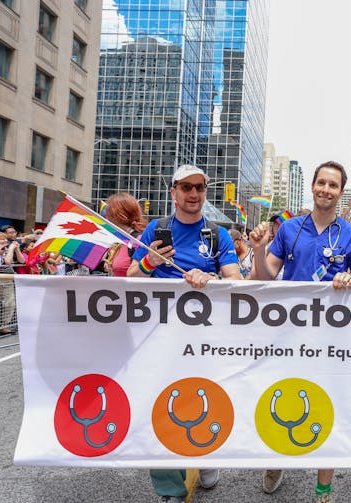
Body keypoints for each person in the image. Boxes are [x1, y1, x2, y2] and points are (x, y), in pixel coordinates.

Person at [250, 160, 351, 503]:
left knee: (327, 406)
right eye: (321, 183)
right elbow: (263, 278)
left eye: (333, 185)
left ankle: (323, 487)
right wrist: (259, 252)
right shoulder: (290, 229)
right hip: (288, 333)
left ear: (341, 192)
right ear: (313, 186)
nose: (326, 190)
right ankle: (276, 462)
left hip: (332, 337)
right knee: (284, 397)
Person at [128, 164, 240, 502]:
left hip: (204, 340)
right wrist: (148, 264)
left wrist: (212, 280)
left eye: (200, 188)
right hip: (158, 337)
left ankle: (205, 454)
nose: (194, 194)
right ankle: (170, 489)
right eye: (186, 187)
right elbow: (131, 278)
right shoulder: (155, 230)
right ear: (174, 192)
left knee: (202, 397)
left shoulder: (217, 235)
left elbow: (236, 281)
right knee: (159, 405)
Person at [104, 192, 147, 278]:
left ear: (117, 215)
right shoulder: (119, 240)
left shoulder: (138, 240)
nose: (105, 217)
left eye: (108, 212)